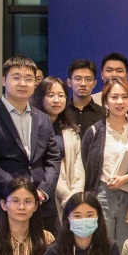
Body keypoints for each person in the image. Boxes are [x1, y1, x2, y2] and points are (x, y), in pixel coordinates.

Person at [0, 56, 62, 235]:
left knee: (45, 252)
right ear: (4, 81)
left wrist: (43, 191)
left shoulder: (43, 118)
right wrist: (20, 193)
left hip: (41, 204)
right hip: (2, 203)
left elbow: (53, 160)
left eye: (29, 79)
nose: (23, 83)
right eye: (16, 77)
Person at [81, 76, 128, 249]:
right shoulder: (94, 132)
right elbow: (86, 165)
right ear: (105, 101)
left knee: (127, 247)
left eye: (125, 97)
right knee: (102, 245)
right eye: (114, 97)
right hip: (102, 194)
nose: (120, 102)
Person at [37, 77, 86, 223]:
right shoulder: (35, 128)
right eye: (50, 95)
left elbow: (78, 163)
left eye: (61, 95)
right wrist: (67, 196)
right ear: (40, 97)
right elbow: (46, 165)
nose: (56, 100)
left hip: (73, 195)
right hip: (46, 196)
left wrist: (76, 195)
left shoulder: (71, 129)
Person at [62, 59, 104, 135]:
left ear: (94, 83)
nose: (83, 84)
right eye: (78, 79)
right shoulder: (62, 111)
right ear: (69, 82)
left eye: (88, 79)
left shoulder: (103, 113)